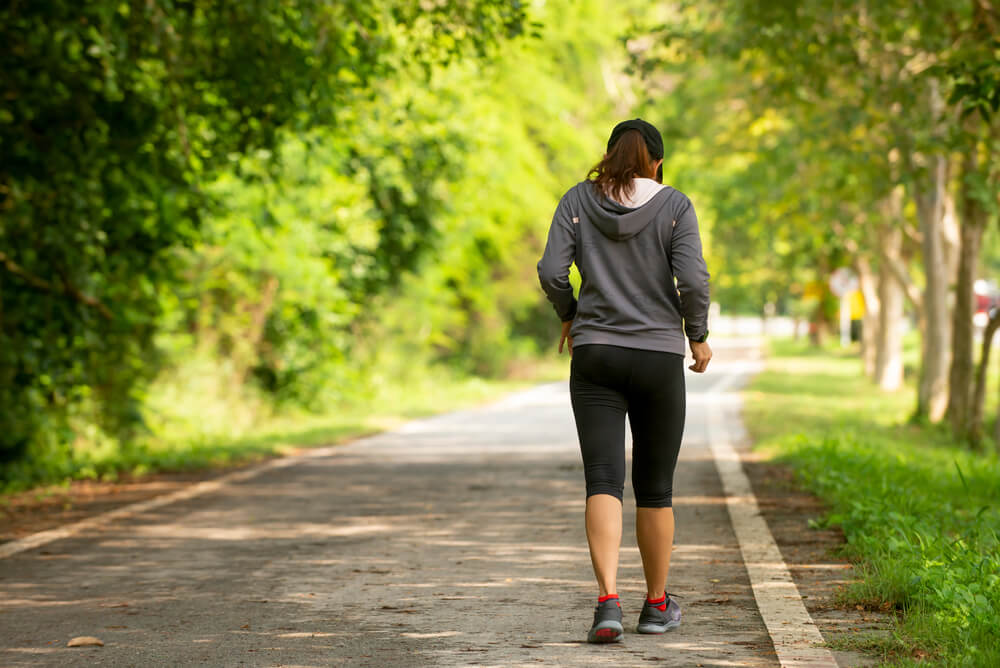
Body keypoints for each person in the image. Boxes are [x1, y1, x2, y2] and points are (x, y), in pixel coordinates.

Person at [537, 118, 712, 643]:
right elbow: (694, 280)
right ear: (656, 162)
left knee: (603, 480)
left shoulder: (576, 201)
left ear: (610, 156)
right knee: (656, 489)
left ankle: (608, 603)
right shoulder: (675, 205)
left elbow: (550, 271)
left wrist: (569, 313)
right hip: (658, 357)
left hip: (595, 355)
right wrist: (697, 334)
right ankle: (656, 605)